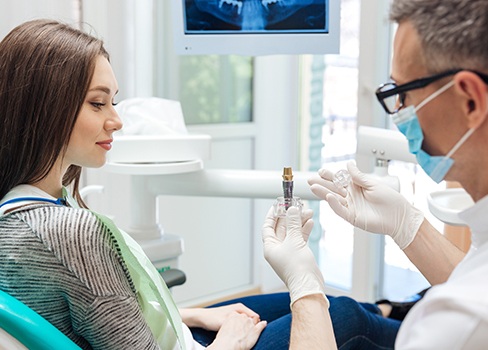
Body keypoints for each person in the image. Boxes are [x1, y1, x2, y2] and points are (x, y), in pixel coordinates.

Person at [0, 18, 412, 350]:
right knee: (346, 318)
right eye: (97, 102)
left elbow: (102, 321)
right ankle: (437, 327)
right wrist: (228, 342)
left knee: (329, 305)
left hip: (173, 333)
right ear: (45, 107)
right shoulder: (69, 233)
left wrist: (195, 315)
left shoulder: (22, 209)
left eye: (114, 101)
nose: (117, 120)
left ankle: (398, 309)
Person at [265, 0, 488, 349]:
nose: (398, 114)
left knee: (347, 317)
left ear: (470, 101)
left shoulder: (459, 323)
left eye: (402, 94)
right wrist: (406, 224)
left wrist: (304, 286)